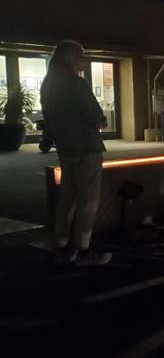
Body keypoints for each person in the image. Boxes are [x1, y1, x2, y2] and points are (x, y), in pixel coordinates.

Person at [41, 41, 111, 266]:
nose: (84, 60)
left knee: (67, 199)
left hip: (65, 148)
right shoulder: (77, 83)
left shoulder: (48, 84)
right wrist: (102, 120)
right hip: (86, 147)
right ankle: (83, 250)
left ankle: (61, 243)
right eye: (81, 56)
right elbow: (95, 117)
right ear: (70, 58)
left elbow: (49, 120)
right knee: (87, 200)